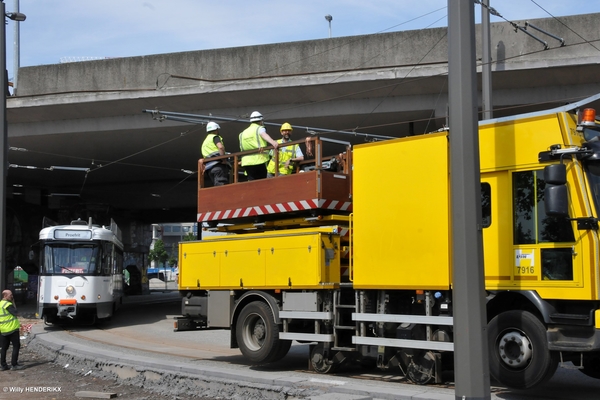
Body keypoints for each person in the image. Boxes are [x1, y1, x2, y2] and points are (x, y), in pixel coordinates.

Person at [239, 111, 279, 180]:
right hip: (259, 159)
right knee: (261, 182)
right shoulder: (259, 128)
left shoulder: (242, 133)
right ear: (261, 121)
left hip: (247, 161)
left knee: (251, 181)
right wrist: (273, 142)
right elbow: (263, 134)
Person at [201, 121, 230, 186]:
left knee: (216, 186)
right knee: (222, 187)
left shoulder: (205, 142)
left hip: (209, 169)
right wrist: (224, 159)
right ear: (216, 130)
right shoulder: (215, 137)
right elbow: (220, 147)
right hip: (218, 166)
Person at [0, 289, 23, 371]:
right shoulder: (8, 304)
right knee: (16, 346)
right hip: (12, 329)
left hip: (3, 330)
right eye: (10, 295)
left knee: (4, 348)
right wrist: (13, 303)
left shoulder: (0, 304)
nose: (12, 296)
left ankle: (3, 365)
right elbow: (16, 313)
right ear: (5, 296)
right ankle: (14, 365)